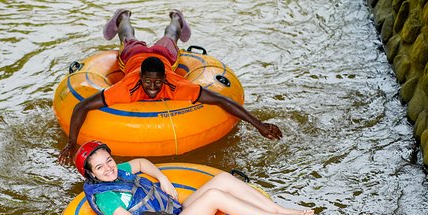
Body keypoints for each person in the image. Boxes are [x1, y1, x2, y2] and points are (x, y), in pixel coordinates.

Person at [57, 9, 282, 165]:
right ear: (140, 79)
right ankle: (123, 17)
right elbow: (82, 107)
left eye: (157, 82)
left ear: (166, 78)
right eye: (148, 82)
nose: (153, 87)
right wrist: (71, 143)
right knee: (127, 38)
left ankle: (176, 17)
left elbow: (222, 100)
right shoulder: (126, 87)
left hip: (164, 58)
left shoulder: (176, 85)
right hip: (135, 58)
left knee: (171, 37)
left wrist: (259, 124)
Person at [73, 140, 314, 215]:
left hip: (173, 208)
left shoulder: (119, 172)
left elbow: (141, 163)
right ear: (92, 175)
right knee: (215, 196)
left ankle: (279, 210)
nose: (109, 168)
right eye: (100, 167)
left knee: (223, 179)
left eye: (109, 160)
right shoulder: (106, 196)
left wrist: (163, 178)